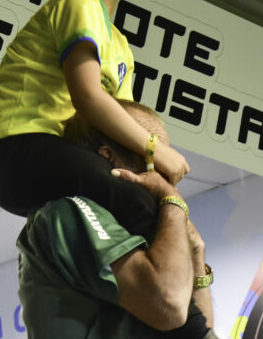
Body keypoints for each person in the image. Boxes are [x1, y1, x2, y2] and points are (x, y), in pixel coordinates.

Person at [0, 0, 189, 239]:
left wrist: (153, 168)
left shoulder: (120, 45)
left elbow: (126, 122)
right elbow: (88, 97)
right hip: (14, 148)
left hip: (61, 151)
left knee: (155, 200)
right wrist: (156, 150)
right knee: (140, 205)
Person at [17, 101, 216, 338]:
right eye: (155, 158)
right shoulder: (68, 212)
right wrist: (173, 201)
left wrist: (196, 253)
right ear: (109, 156)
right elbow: (169, 303)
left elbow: (197, 333)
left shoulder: (142, 230)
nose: (168, 174)